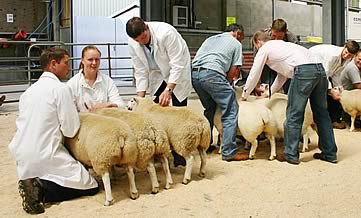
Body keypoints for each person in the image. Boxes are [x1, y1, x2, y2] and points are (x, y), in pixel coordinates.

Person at [8, 48, 99, 214]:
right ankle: (42, 189)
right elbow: (71, 130)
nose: (69, 67)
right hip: (45, 154)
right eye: (66, 63)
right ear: (53, 64)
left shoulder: (28, 92)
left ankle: (33, 183)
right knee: (91, 185)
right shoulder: (60, 89)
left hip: (21, 156)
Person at [243, 30, 338, 165]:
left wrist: (245, 94)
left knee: (294, 113)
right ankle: (330, 153)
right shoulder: (284, 46)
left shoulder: (265, 49)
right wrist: (269, 93)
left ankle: (291, 154)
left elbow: (254, 72)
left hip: (304, 72)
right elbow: (284, 74)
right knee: (322, 114)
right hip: (320, 71)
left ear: (258, 42)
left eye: (256, 46)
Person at [126, 17, 191, 167]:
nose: (141, 42)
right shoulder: (133, 42)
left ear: (147, 28)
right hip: (157, 73)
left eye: (143, 37)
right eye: (138, 40)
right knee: (154, 113)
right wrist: (139, 100)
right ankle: (160, 152)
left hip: (177, 72)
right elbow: (140, 70)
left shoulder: (166, 33)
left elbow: (177, 64)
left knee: (178, 113)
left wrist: (169, 90)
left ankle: (180, 156)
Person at [191, 24, 248, 161]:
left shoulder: (210, 39)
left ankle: (205, 144)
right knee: (230, 109)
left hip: (194, 74)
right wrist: (227, 83)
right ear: (238, 34)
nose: (241, 41)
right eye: (241, 39)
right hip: (212, 73)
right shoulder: (236, 43)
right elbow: (234, 70)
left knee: (209, 109)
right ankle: (229, 151)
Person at [309, 40, 360, 129]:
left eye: (350, 55)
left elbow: (336, 74)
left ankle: (334, 120)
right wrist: (331, 90)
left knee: (335, 93)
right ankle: (314, 122)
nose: (346, 56)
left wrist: (339, 89)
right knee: (321, 93)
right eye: (346, 52)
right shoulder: (332, 55)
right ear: (344, 47)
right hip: (310, 65)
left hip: (322, 72)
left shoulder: (347, 60)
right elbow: (325, 73)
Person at [67, 45, 124, 112]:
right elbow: (69, 111)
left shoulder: (107, 81)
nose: (94, 63)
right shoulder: (72, 84)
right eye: (90, 59)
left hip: (105, 121)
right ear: (82, 60)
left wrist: (106, 105)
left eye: (97, 59)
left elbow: (120, 105)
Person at [259, 19, 299, 95]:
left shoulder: (292, 39)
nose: (276, 40)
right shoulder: (263, 37)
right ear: (271, 29)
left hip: (285, 64)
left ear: (286, 31)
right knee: (268, 84)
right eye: (274, 36)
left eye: (280, 37)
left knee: (289, 85)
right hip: (268, 64)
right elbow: (258, 61)